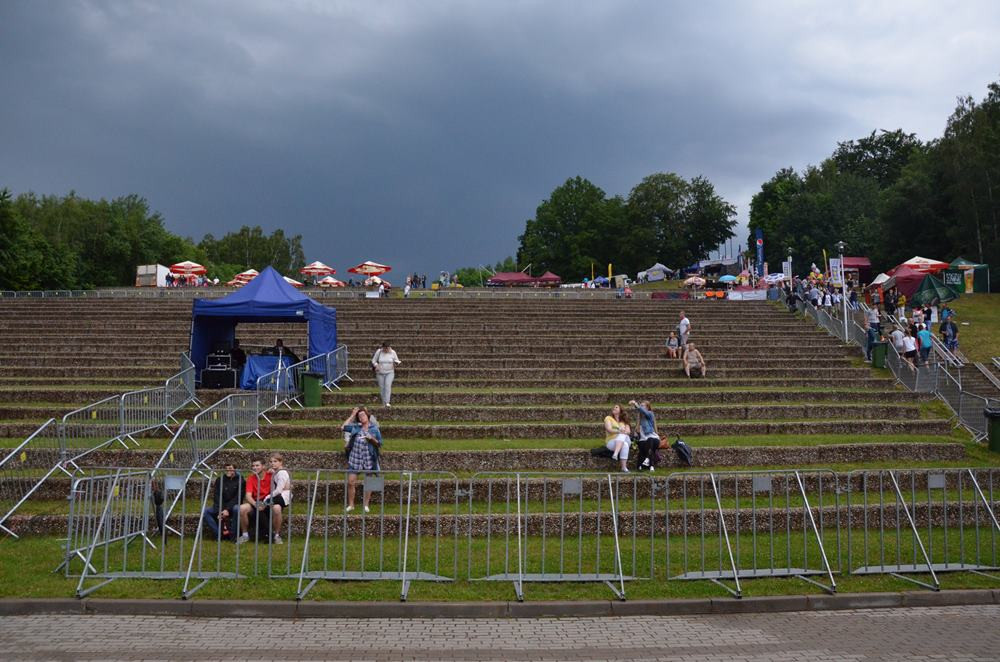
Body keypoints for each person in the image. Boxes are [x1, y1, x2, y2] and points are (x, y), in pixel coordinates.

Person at [343, 406, 383, 512]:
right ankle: (351, 505)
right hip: (355, 458)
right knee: (351, 482)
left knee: (370, 482)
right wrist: (352, 415)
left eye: (363, 415)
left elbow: (379, 444)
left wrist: (372, 439)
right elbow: (343, 427)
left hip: (368, 458)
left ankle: (366, 505)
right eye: (359, 416)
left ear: (367, 416)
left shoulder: (374, 428)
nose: (361, 417)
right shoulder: (356, 427)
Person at [201, 463, 245, 541]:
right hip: (221, 506)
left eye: (230, 468)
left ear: (235, 469)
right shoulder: (220, 480)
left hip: (233, 506)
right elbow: (217, 496)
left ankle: (233, 536)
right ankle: (218, 534)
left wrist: (227, 509)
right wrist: (220, 510)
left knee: (237, 509)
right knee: (205, 511)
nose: (228, 470)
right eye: (226, 468)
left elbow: (238, 497)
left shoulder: (241, 480)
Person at [238, 458, 272, 543]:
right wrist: (256, 504)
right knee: (242, 508)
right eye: (253, 466)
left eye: (257, 465)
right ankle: (245, 535)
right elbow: (248, 496)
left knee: (276, 508)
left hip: (268, 500)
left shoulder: (271, 476)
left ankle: (274, 535)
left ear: (263, 466)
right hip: (255, 502)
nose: (254, 468)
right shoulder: (251, 478)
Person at [265, 454, 291, 544]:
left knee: (264, 504)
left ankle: (276, 534)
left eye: (275, 461)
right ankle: (270, 533)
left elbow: (279, 490)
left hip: (283, 497)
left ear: (281, 462)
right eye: (271, 462)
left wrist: (268, 497)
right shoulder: (276, 472)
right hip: (279, 496)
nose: (273, 463)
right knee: (275, 508)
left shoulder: (282, 473)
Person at [629, 400, 660, 471]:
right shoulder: (639, 419)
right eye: (641, 405)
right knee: (643, 445)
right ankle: (645, 465)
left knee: (650, 440)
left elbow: (643, 411)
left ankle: (648, 461)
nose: (641, 407)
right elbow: (636, 433)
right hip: (643, 439)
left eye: (643, 405)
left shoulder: (650, 414)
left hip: (654, 439)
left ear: (648, 407)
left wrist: (635, 404)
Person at [371, 342, 401, 407]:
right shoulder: (379, 352)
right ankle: (383, 402)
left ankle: (387, 402)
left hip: (390, 372)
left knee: (387, 385)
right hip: (380, 372)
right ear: (383, 348)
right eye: (385, 349)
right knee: (382, 388)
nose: (387, 350)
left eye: (388, 348)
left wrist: (395, 363)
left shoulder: (393, 352)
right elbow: (373, 360)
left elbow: (397, 360)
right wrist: (376, 365)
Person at [603, 405, 630, 472]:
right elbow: (609, 429)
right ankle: (624, 468)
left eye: (616, 407)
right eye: (614, 407)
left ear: (620, 410)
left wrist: (623, 431)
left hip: (625, 438)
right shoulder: (608, 418)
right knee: (625, 445)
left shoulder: (624, 421)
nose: (614, 408)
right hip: (611, 442)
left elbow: (628, 432)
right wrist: (619, 431)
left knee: (623, 435)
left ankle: (616, 453)